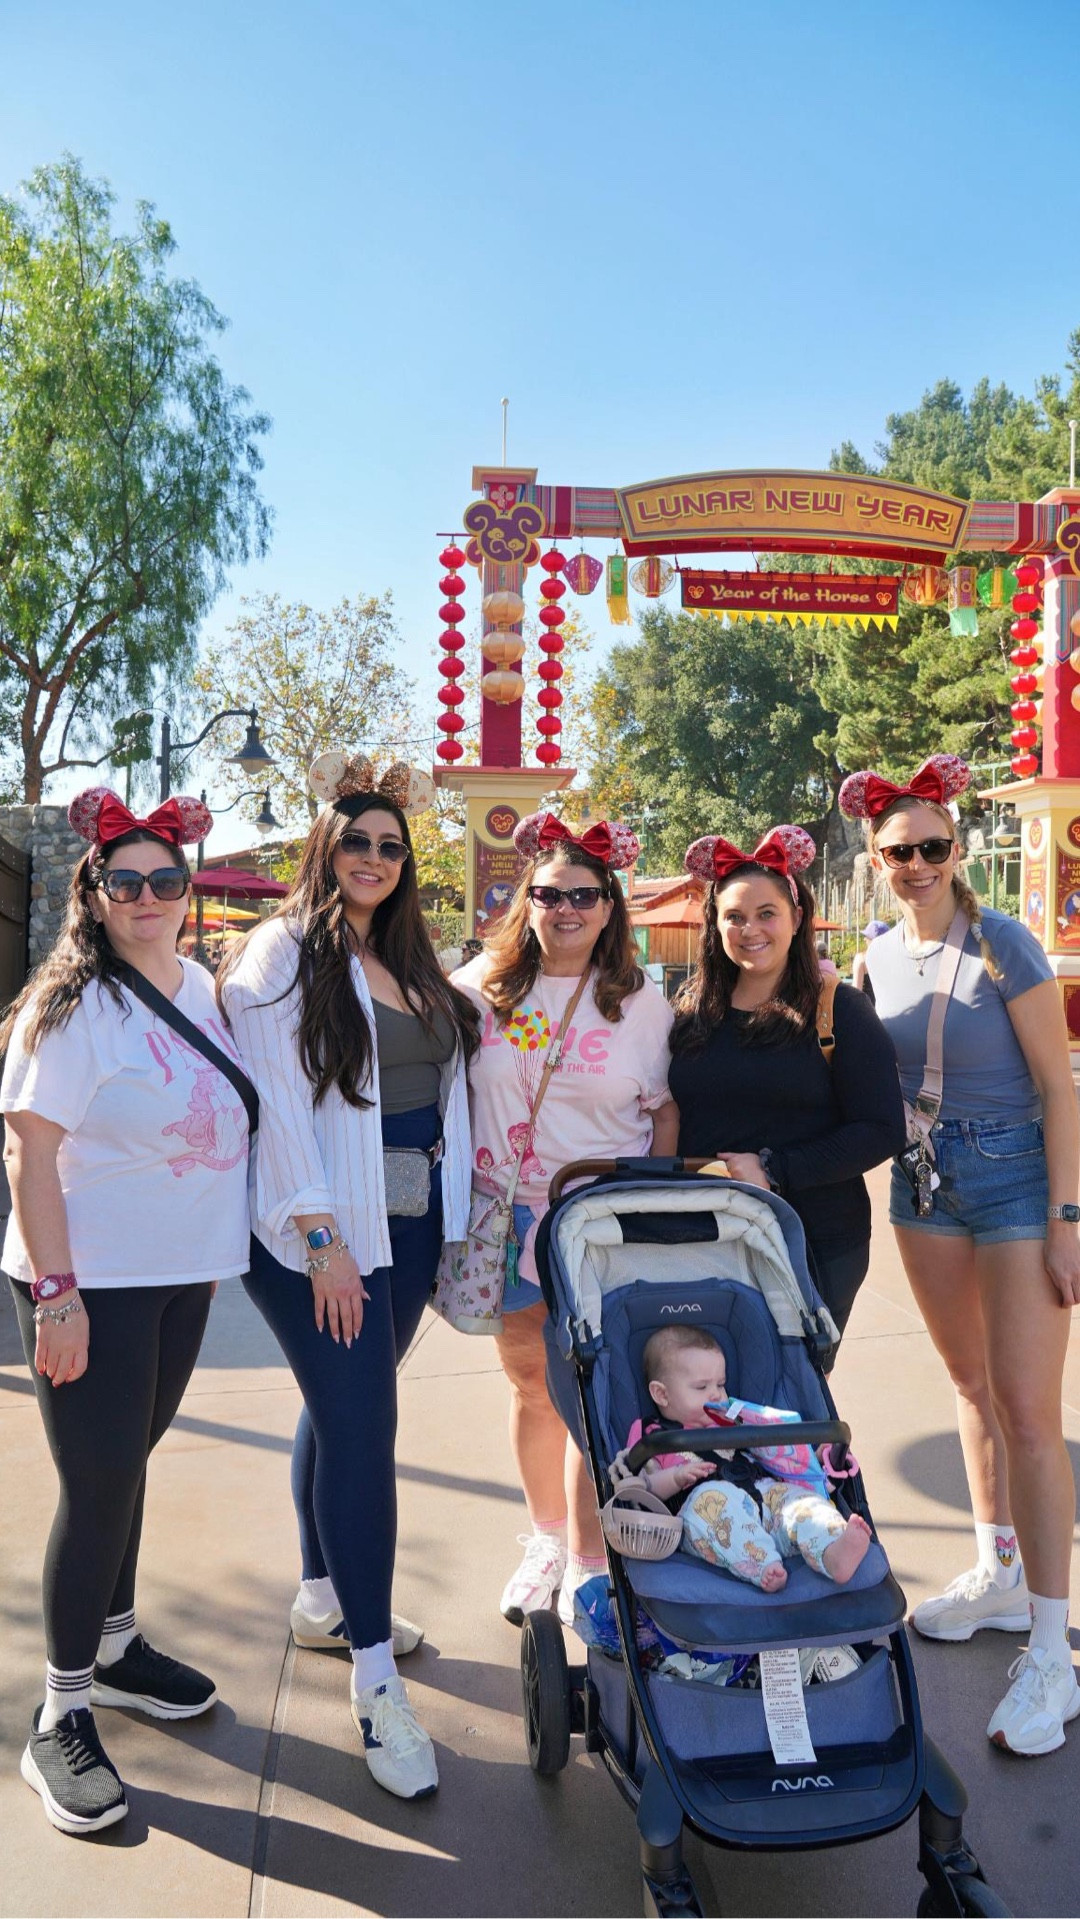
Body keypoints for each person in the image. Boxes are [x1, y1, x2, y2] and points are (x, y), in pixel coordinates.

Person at [218, 752, 477, 1801]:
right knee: (365, 1430)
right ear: (323, 846)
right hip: (317, 1231)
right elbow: (277, 1107)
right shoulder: (279, 955)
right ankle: (376, 1680)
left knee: (338, 1413)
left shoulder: (411, 955)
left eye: (390, 844)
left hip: (408, 1223)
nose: (373, 856)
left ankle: (322, 1594)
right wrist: (322, 1240)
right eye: (356, 839)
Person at [1, 788, 251, 1836]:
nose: (149, 896)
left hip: (178, 1273)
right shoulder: (72, 1005)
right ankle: (58, 1715)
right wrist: (56, 1294)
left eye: (167, 878)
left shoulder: (200, 984)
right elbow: (30, 1150)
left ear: (188, 892)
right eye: (126, 881)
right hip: (84, 1282)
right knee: (99, 1483)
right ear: (93, 896)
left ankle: (115, 1642)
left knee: (130, 1461)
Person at [840, 754, 1080, 1756]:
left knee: (1030, 1410)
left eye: (933, 845)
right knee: (971, 1385)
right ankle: (996, 1567)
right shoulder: (872, 956)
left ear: (958, 849)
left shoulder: (1006, 943)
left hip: (1018, 1176)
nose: (917, 862)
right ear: (876, 857)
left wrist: (1069, 1213)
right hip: (922, 1183)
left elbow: (1061, 1086)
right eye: (899, 849)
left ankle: (1054, 1650)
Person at [452, 811, 678, 1628]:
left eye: (585, 894)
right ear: (527, 899)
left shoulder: (642, 1002)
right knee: (532, 1388)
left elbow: (663, 1109)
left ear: (610, 904)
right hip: (511, 1220)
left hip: (601, 1221)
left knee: (595, 1392)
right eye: (549, 893)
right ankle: (546, 1539)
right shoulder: (479, 987)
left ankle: (592, 1563)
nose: (566, 908)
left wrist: (652, 1201)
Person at [668, 826, 905, 1345]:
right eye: (734, 916)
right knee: (699, 1391)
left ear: (797, 919)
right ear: (716, 925)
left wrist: (773, 1167)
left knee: (788, 1398)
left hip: (812, 1239)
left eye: (766, 913)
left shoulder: (838, 1009)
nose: (751, 929)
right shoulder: (690, 1012)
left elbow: (884, 1128)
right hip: (704, 1232)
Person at [624, 1327, 871, 1589]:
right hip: (704, 1519)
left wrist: (815, 1459)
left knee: (800, 1501)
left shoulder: (735, 1419)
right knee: (713, 1501)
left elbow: (779, 1461)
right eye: (701, 1387)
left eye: (720, 1384)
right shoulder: (651, 1433)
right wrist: (674, 1477)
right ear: (661, 1394)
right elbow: (641, 1489)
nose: (716, 1394)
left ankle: (832, 1549)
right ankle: (763, 1565)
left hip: (764, 1499)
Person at [851, 920, 890, 994]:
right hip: (888, 1005)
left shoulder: (861, 959)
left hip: (867, 1004)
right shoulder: (893, 959)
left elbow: (856, 990)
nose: (864, 939)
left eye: (867, 936)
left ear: (873, 940)